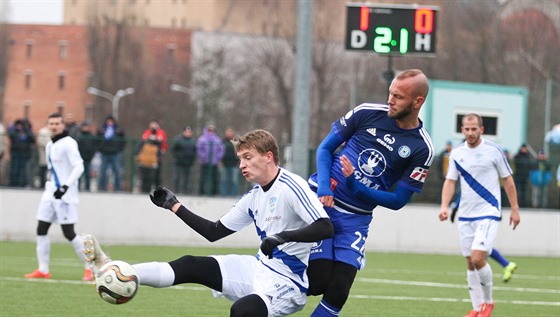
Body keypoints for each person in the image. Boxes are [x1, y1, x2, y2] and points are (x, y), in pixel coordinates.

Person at [83, 129, 334, 317]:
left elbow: (325, 226)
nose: (241, 165)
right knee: (190, 265)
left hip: (288, 282)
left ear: (269, 157)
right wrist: (174, 206)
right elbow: (213, 232)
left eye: (247, 157)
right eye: (239, 159)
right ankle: (117, 271)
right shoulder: (254, 196)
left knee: (243, 311)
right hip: (258, 268)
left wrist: (282, 237)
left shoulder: (292, 186)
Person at [306, 69, 435, 317]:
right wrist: (323, 186)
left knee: (339, 290)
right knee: (318, 280)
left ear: (417, 102)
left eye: (398, 96)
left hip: (356, 218)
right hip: (322, 205)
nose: (390, 100)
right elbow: (325, 148)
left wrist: (357, 186)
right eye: (390, 93)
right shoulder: (366, 112)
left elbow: (398, 200)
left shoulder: (423, 149)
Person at [438, 113, 521, 317]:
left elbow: (508, 180)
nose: (470, 132)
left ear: (481, 130)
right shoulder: (456, 153)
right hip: (466, 214)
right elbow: (450, 182)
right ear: (462, 130)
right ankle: (476, 308)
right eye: (467, 129)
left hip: (489, 212)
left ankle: (488, 303)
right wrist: (444, 206)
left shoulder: (493, 151)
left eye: (474, 129)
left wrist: (515, 209)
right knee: (469, 261)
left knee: (477, 258)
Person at [24, 112, 92, 281]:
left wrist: (65, 186)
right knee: (41, 228)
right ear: (48, 126)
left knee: (69, 232)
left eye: (57, 123)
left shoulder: (69, 143)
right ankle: (43, 269)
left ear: (63, 125)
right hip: (50, 192)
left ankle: (90, 267)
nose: (54, 126)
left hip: (65, 195)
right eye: (51, 124)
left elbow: (79, 167)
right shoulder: (49, 145)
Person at [450, 196, 518, 283]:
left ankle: (483, 275)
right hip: (479, 213)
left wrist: (455, 208)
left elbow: (467, 193)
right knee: (479, 246)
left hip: (482, 215)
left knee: (479, 247)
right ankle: (506, 264)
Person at [96, 116, 126, 192]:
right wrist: (100, 149)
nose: (110, 123)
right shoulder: (102, 130)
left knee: (117, 171)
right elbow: (97, 140)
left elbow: (123, 141)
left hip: (115, 153)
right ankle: (101, 188)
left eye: (111, 121)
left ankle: (117, 188)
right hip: (104, 153)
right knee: (103, 171)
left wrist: (119, 149)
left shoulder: (119, 130)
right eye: (108, 121)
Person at [196, 124, 224, 196]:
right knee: (203, 178)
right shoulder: (202, 139)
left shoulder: (217, 140)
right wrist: (203, 157)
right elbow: (199, 149)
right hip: (205, 162)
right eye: (209, 130)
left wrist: (217, 157)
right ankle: (201, 192)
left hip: (214, 162)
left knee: (215, 178)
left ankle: (214, 192)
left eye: (212, 130)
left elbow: (221, 150)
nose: (211, 132)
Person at [136, 126, 165, 193]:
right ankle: (144, 191)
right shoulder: (144, 142)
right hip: (145, 163)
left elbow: (159, 152)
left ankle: (151, 191)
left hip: (152, 164)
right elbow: (139, 150)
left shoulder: (157, 143)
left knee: (151, 179)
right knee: (144, 179)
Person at [8, 118, 36, 187]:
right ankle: (14, 183)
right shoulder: (14, 132)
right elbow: (10, 135)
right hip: (15, 154)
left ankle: (23, 183)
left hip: (25, 154)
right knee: (15, 169)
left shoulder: (27, 132)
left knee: (24, 170)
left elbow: (33, 139)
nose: (19, 127)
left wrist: (27, 130)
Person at [141, 120, 168, 186]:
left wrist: (163, 150)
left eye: (155, 125)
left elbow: (164, 143)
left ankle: (157, 188)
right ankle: (146, 188)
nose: (153, 126)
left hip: (156, 157)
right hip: (147, 158)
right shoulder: (147, 132)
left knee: (157, 174)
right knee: (146, 174)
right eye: (152, 125)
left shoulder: (161, 132)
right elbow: (143, 141)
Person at [171, 125, 197, 194]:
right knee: (177, 177)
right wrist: (177, 157)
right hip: (178, 162)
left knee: (187, 179)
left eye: (189, 132)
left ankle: (185, 192)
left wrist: (192, 159)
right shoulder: (178, 140)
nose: (188, 133)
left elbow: (195, 151)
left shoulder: (193, 141)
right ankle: (176, 191)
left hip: (189, 163)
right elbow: (174, 150)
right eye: (186, 131)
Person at [77, 121, 98, 191]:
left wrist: (91, 156)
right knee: (79, 173)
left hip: (88, 158)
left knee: (87, 174)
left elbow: (94, 147)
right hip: (80, 159)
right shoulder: (78, 136)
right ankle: (78, 187)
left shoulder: (91, 136)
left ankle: (87, 188)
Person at [220, 127, 240, 196]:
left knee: (234, 181)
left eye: (231, 132)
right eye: (228, 132)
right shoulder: (222, 142)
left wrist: (238, 161)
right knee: (224, 180)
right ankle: (223, 195)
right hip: (224, 164)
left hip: (234, 164)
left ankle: (233, 195)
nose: (229, 134)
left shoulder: (236, 142)